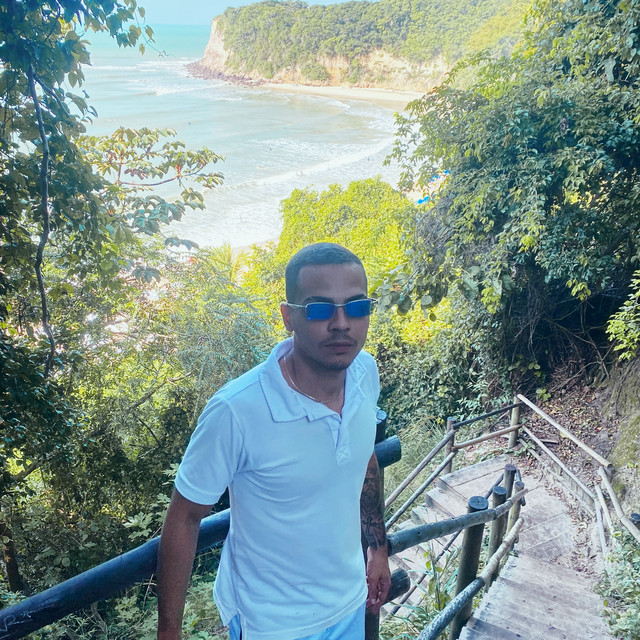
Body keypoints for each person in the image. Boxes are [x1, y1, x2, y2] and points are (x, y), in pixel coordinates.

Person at [157, 242, 390, 640]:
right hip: (270, 624)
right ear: (288, 317)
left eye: (356, 307)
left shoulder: (364, 372)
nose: (341, 323)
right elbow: (185, 517)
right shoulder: (237, 410)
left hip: (349, 601)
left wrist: (378, 548)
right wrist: (169, 632)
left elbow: (364, 457)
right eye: (319, 309)